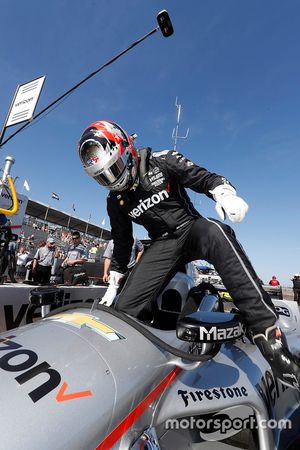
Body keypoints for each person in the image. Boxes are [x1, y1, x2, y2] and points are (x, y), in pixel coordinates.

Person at [78, 119, 300, 390]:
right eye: (103, 177)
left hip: (191, 228)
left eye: (113, 169)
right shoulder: (115, 200)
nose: (111, 180)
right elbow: (122, 240)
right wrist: (115, 278)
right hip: (162, 244)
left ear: (125, 150)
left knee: (216, 231)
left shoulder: (163, 160)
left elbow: (204, 178)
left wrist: (224, 194)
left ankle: (268, 334)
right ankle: (126, 357)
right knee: (123, 307)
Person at [101, 237, 144, 306]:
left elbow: (141, 249)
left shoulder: (134, 238)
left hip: (131, 269)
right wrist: (105, 273)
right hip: (118, 270)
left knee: (128, 290)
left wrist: (137, 261)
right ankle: (108, 305)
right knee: (114, 288)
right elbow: (108, 258)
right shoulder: (111, 242)